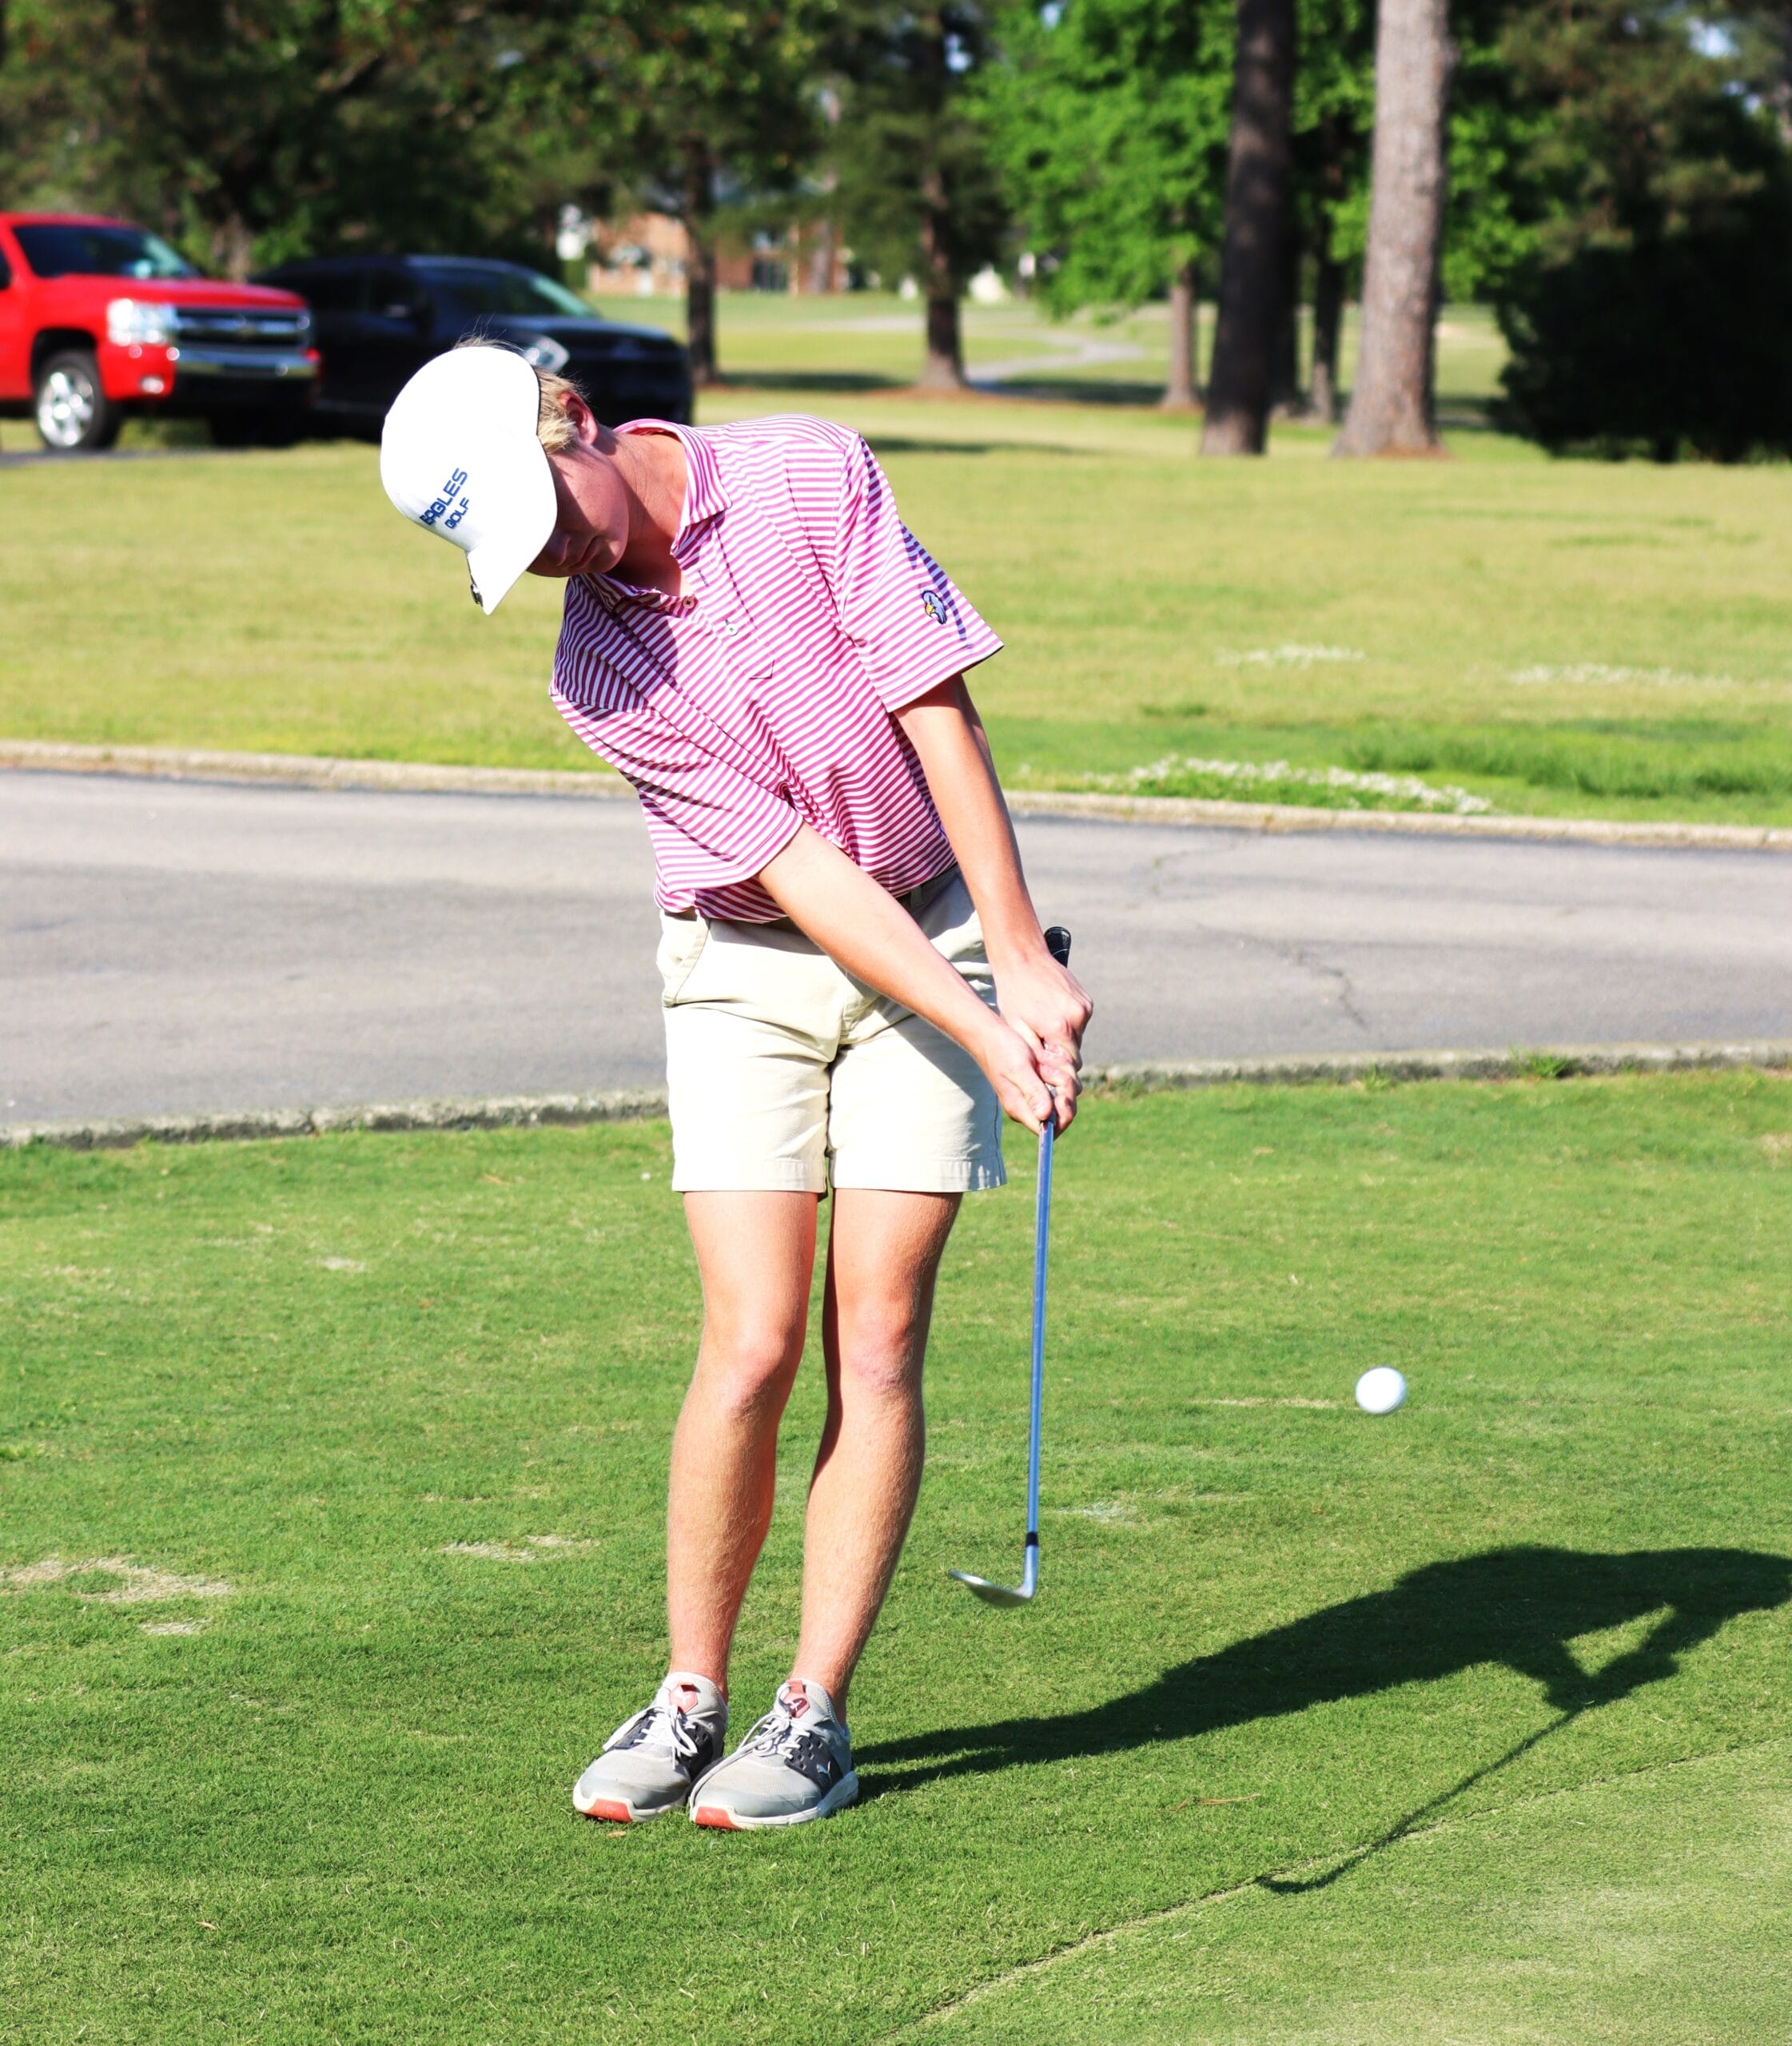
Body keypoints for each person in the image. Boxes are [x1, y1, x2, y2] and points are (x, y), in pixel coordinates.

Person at [380, 342, 1092, 1829]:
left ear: (567, 418)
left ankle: (811, 1718)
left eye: (548, 510)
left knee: (876, 1330)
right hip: (748, 963)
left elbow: (932, 706)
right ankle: (689, 1694)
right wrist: (979, 1029)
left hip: (943, 913)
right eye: (517, 548)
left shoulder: (808, 470)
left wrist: (1012, 959)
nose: (560, 551)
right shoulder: (596, 671)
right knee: (754, 1336)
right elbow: (796, 872)